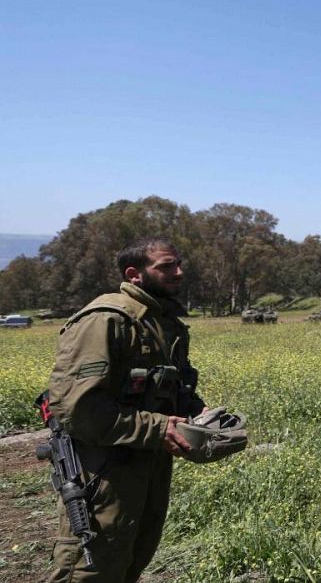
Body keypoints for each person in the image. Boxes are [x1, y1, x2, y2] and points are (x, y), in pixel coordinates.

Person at [44, 238, 205, 582]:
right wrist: (159, 429)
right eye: (165, 266)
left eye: (178, 264)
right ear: (134, 274)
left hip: (146, 464)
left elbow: (171, 388)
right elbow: (78, 409)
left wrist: (202, 416)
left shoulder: (164, 322)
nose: (178, 272)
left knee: (132, 559)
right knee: (90, 567)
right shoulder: (105, 320)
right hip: (102, 472)